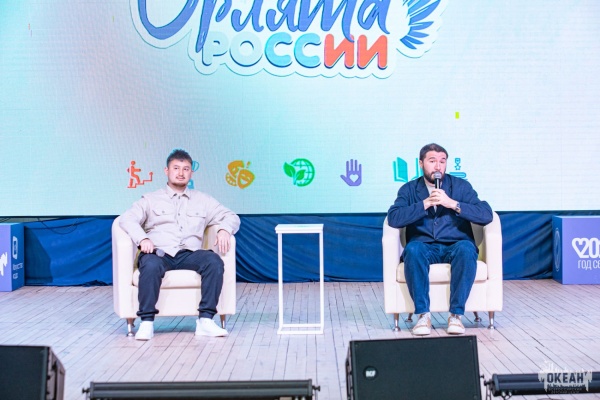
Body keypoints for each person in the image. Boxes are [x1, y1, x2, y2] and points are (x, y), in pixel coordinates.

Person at [119, 149, 240, 340]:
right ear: (166, 171)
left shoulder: (203, 200)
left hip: (189, 254)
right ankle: (147, 323)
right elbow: (127, 219)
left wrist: (224, 229)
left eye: (186, 169)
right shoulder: (150, 199)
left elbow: (231, 216)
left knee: (214, 261)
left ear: (191, 173)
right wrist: (143, 239)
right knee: (150, 265)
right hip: (158, 253)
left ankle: (206, 320)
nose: (181, 173)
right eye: (176, 168)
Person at [387, 143, 493, 335]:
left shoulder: (460, 186)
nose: (438, 167)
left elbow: (486, 214)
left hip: (456, 245)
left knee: (467, 249)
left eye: (442, 161)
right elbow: (394, 218)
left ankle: (456, 315)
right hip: (424, 246)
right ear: (421, 163)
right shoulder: (409, 189)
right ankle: (423, 316)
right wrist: (425, 204)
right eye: (432, 161)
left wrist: (452, 204)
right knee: (413, 249)